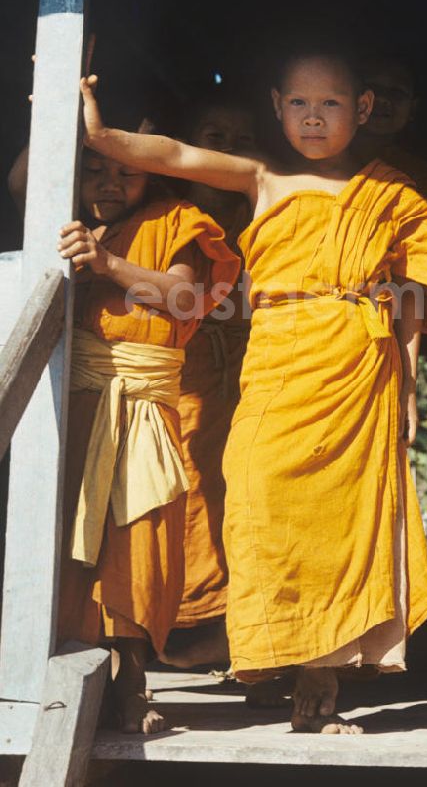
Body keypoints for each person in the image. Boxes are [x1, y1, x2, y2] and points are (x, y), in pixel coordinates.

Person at [79, 47, 427, 734]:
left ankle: (322, 674)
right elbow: (174, 156)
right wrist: (102, 134)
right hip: (279, 355)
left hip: (357, 363)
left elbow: (412, 299)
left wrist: (408, 387)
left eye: (332, 104)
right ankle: (275, 647)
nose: (315, 118)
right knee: (256, 493)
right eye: (300, 104)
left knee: (340, 517)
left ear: (362, 110)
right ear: (277, 108)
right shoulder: (263, 175)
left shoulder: (389, 194)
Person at [53, 132, 239, 734]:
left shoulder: (178, 221)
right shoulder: (63, 220)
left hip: (143, 406)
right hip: (77, 405)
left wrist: (105, 265)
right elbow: (18, 185)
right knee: (73, 554)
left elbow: (184, 298)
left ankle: (134, 684)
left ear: (149, 172)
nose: (109, 184)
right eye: (94, 170)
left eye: (124, 172)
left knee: (141, 544)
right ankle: (71, 689)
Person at [163, 90, 258, 670]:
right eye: (212, 136)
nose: (225, 150)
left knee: (247, 497)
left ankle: (242, 628)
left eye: (240, 141)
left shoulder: (269, 213)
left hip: (254, 378)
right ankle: (187, 625)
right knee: (188, 494)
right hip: (183, 381)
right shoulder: (161, 213)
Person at [352, 56, 427, 240]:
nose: (382, 98)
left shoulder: (421, 177)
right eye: (372, 88)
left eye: (397, 93)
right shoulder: (316, 158)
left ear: (413, 108)